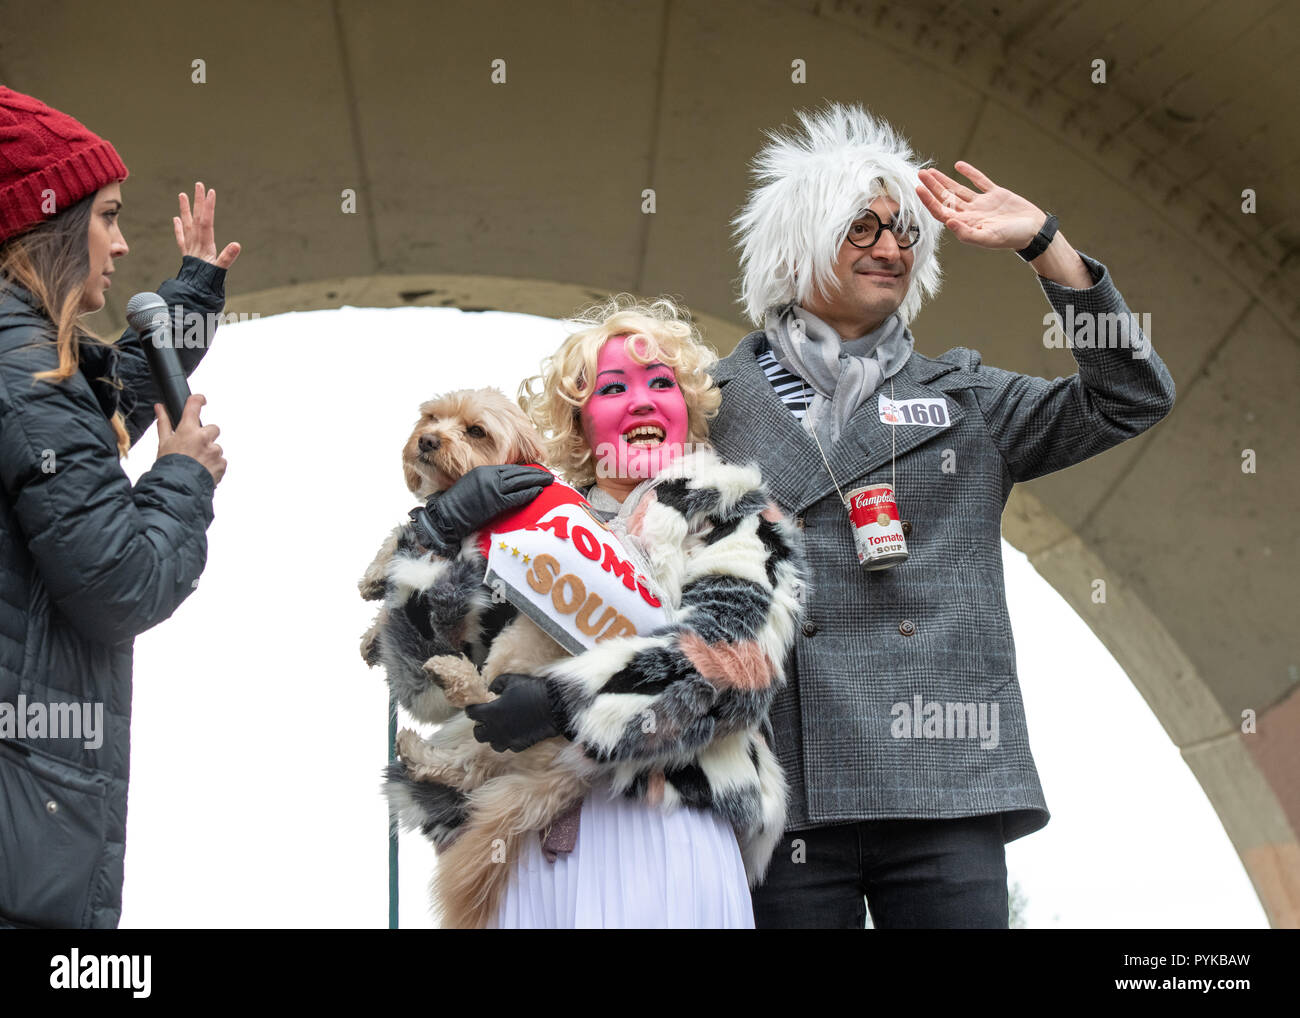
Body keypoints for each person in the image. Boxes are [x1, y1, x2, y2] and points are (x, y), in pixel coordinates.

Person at [709, 103, 1176, 928]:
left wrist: (1047, 249)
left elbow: (1131, 397)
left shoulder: (964, 399)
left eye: (905, 230)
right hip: (776, 793)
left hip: (944, 785)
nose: (891, 247)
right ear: (798, 243)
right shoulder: (707, 405)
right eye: (862, 227)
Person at [395, 296, 803, 927]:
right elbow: (420, 685)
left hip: (663, 832)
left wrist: (560, 704)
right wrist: (434, 535)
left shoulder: (730, 511)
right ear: (579, 423)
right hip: (519, 854)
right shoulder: (526, 526)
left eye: (661, 383)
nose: (641, 400)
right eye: (613, 388)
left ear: (687, 411)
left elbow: (731, 668)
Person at [0, 86, 239, 928]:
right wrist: (182, 475)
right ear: (50, 226)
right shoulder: (30, 375)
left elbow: (88, 428)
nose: (121, 240)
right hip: (25, 836)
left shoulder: (21, 364)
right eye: (105, 216)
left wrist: (195, 294)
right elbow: (120, 583)